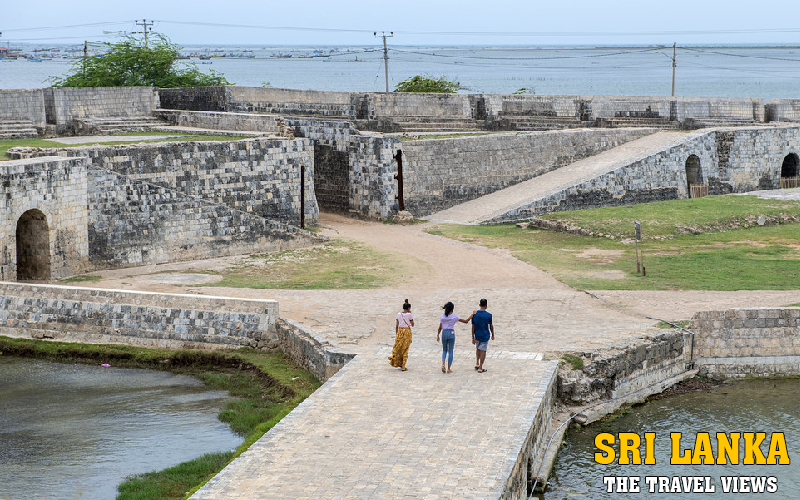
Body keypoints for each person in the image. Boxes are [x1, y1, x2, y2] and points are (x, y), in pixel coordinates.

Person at [436, 302, 473, 373]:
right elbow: (465, 321)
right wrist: (471, 315)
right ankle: (449, 369)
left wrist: (438, 335)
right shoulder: (454, 317)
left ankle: (443, 364)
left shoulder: (442, 316)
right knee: (450, 351)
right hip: (451, 333)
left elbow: (440, 327)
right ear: (452, 309)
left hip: (444, 333)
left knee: (444, 350)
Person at [389, 299, 414, 371]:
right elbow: (412, 325)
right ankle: (403, 366)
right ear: (409, 308)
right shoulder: (410, 315)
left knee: (398, 348)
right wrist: (410, 314)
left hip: (400, 332)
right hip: (407, 332)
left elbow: (396, 325)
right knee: (405, 349)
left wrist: (397, 334)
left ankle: (397, 362)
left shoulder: (398, 314)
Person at [471, 298, 494, 373]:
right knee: (483, 350)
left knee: (478, 348)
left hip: (477, 334)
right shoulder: (489, 315)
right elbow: (491, 326)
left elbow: (473, 327)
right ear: (486, 305)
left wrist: (472, 337)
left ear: (479, 305)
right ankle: (480, 367)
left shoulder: (475, 314)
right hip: (485, 335)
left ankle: (477, 363)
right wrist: (493, 334)